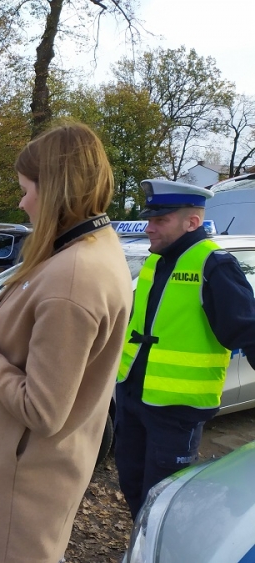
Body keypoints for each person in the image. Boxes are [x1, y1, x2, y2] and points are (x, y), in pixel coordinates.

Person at [0, 122, 133, 563]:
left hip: (25, 486)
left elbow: (42, 409)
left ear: (56, 190)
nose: (22, 202)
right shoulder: (84, 250)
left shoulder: (74, 276)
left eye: (27, 189)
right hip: (30, 475)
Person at [114, 179, 255, 520]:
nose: (149, 228)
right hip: (133, 399)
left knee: (162, 503)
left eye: (159, 220)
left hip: (176, 411)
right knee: (133, 489)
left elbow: (248, 330)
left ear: (191, 222)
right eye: (149, 219)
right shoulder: (156, 261)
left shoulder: (214, 265)